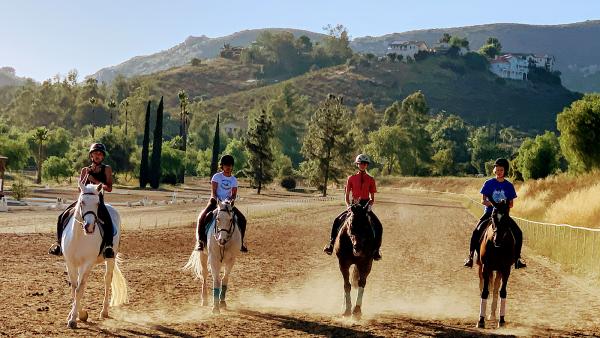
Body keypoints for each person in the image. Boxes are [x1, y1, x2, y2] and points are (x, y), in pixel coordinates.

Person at [49, 143, 115, 258]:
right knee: (62, 216)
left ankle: (108, 246)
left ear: (103, 156)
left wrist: (94, 180)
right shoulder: (85, 170)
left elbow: (109, 188)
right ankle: (59, 245)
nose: (97, 156)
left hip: (97, 201)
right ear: (91, 156)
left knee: (108, 220)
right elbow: (80, 188)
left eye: (100, 154)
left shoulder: (107, 169)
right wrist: (86, 176)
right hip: (83, 200)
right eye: (95, 154)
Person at [464, 158, 526, 269]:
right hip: (490, 214)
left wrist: (502, 206)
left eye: (501, 170)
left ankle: (517, 259)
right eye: (497, 170)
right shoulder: (488, 183)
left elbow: (511, 204)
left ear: (505, 171)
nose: (499, 172)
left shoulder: (509, 186)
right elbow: (483, 200)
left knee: (518, 233)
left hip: (503, 216)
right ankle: (470, 256)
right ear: (494, 170)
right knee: (476, 231)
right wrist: (494, 205)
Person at [323, 154, 383, 260]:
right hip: (353, 206)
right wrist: (348, 206)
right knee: (337, 220)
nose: (363, 165)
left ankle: (376, 251)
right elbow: (346, 196)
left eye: (364, 164)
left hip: (365, 207)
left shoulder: (371, 179)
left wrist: (369, 205)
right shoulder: (351, 178)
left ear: (367, 165)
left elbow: (372, 198)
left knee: (378, 226)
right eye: (360, 163)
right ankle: (331, 245)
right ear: (357, 164)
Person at [195, 154, 248, 252]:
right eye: (226, 165)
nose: (228, 167)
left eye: (230, 165)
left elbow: (233, 194)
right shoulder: (216, 177)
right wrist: (216, 200)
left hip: (228, 205)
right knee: (203, 217)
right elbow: (213, 192)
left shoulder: (234, 180)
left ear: (232, 166)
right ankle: (201, 242)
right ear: (222, 166)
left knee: (242, 220)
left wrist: (230, 201)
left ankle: (241, 243)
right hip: (215, 202)